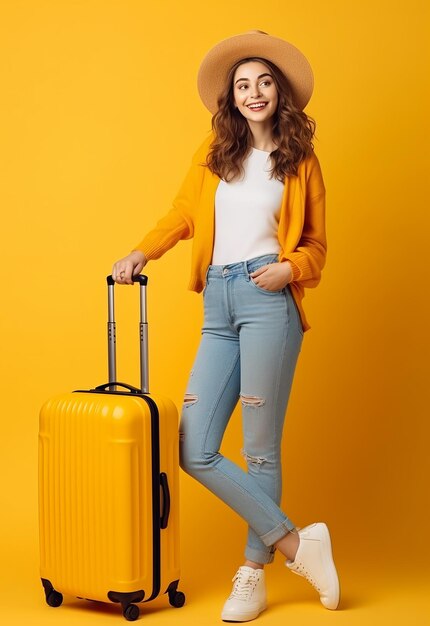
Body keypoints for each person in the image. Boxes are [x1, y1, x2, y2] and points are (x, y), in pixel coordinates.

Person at [112, 30, 340, 622]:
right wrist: (144, 251)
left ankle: (252, 573)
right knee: (193, 446)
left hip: (270, 300)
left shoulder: (301, 161)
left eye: (264, 82)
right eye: (243, 84)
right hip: (218, 302)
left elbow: (316, 245)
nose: (254, 92)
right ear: (230, 98)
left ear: (279, 92)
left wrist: (288, 267)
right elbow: (183, 213)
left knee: (260, 449)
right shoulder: (213, 154)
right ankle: (297, 544)